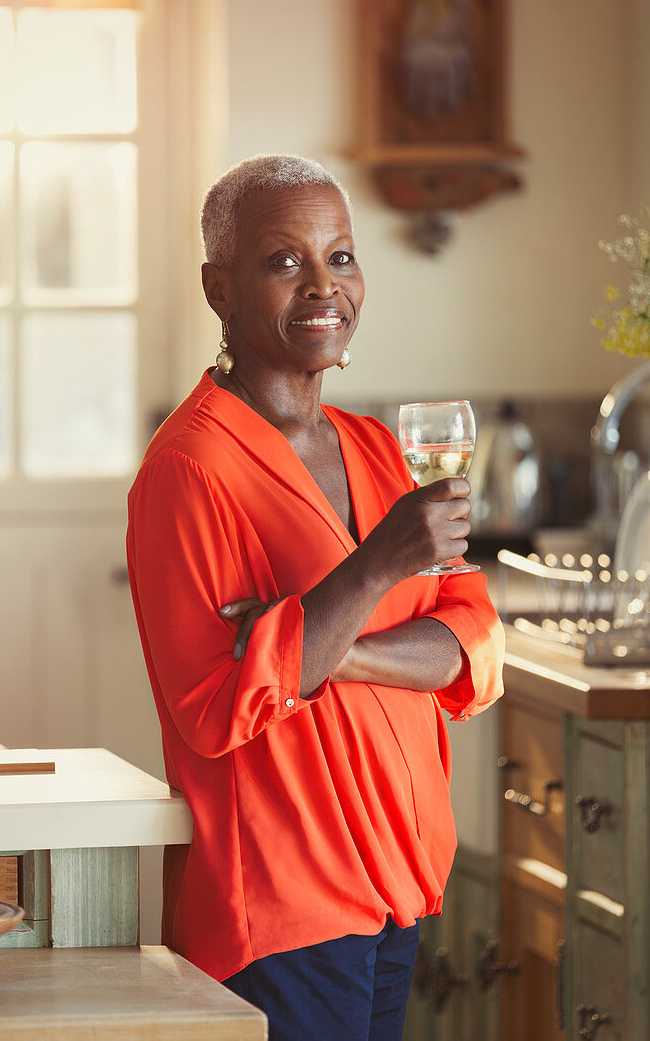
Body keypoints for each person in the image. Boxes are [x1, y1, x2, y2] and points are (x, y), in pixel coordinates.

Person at [126, 154, 505, 1040]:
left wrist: (320, 649)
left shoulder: (377, 448)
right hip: (283, 904)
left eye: (339, 256)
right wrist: (376, 570)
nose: (322, 286)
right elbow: (215, 708)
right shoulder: (188, 470)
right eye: (283, 260)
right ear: (219, 287)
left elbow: (476, 642)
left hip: (397, 886)